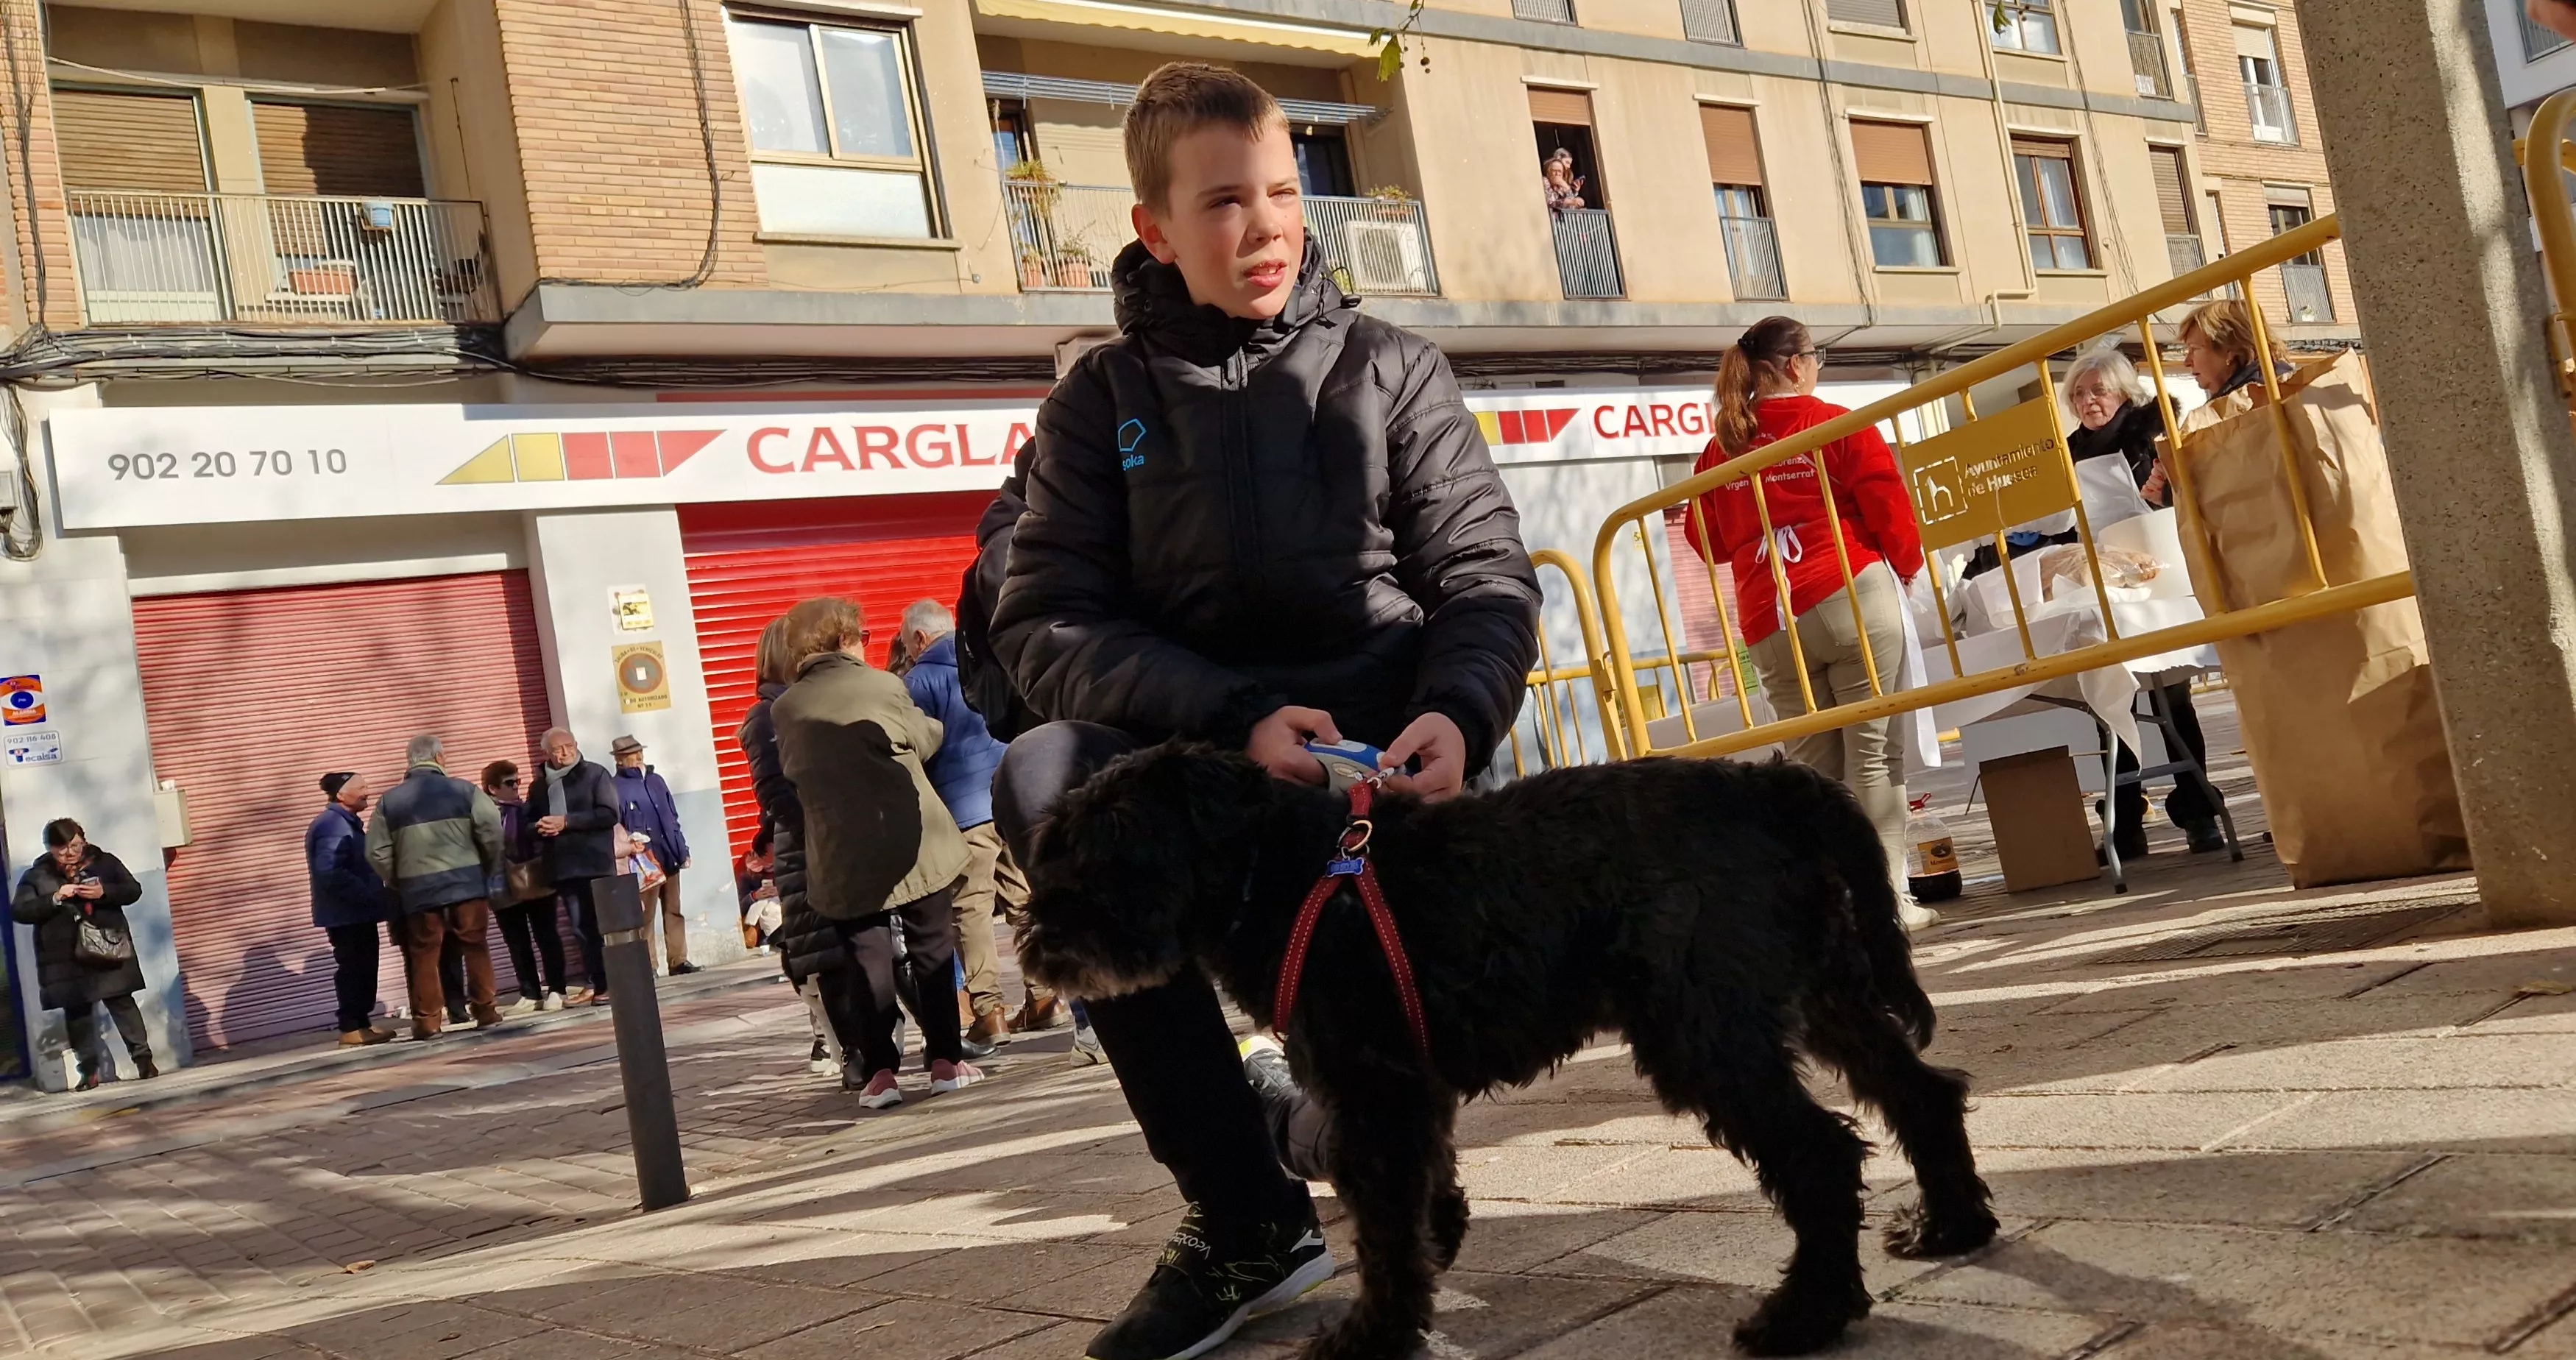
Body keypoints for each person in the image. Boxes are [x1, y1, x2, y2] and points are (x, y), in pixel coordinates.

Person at [981, 63, 1540, 1360]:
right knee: (1044, 775)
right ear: (1157, 231)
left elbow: (1483, 576)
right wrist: (1233, 718)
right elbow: (1043, 624)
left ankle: (1371, 1137)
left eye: (1286, 191)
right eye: (1225, 201)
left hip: (1387, 751)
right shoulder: (1095, 405)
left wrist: (1462, 707)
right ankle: (1247, 1217)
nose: (1270, 225)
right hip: (1210, 754)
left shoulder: (1396, 370)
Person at [1682, 315, 1936, 932]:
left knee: (1814, 772)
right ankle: (1890, 902)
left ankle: (1834, 912)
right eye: (1815, 356)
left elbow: (1706, 540)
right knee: (1875, 757)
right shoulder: (1835, 423)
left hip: (1770, 614)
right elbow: (1889, 509)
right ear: (1795, 365)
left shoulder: (1722, 446)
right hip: (1850, 590)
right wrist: (1910, 569)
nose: (1818, 366)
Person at [771, 596, 983, 1110]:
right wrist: (929, 729)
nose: (867, 645)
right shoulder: (885, 685)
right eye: (863, 637)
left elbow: (793, 774)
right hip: (910, 835)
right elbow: (922, 738)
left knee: (866, 959)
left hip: (840, 848)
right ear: (844, 640)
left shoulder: (786, 708)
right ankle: (946, 1064)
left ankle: (881, 1076)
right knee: (932, 947)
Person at [2060, 348, 2227, 860]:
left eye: (2098, 391)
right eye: (2079, 394)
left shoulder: (2155, 433)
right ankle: (2126, 820)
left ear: (2125, 393)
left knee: (2174, 701)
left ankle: (2200, 814)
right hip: (2100, 581)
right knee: (2108, 700)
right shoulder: (2065, 452)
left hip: (2160, 574)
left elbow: (2186, 494)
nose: (2088, 402)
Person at [897, 598, 1041, 1050]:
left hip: (964, 812)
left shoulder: (919, 682)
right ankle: (1046, 996)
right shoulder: (981, 660)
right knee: (1023, 900)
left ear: (920, 639)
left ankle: (989, 1011)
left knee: (971, 910)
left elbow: (917, 750)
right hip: (1010, 800)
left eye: (908, 644)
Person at [740, 615, 859, 1077]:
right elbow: (776, 793)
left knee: (859, 947)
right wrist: (820, 830)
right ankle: (849, 1052)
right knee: (827, 955)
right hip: (808, 848)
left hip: (828, 841)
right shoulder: (768, 713)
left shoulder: (801, 700)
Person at [366, 734, 506, 1039]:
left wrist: (402, 877)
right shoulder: (465, 790)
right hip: (467, 886)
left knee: (424, 955)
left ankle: (429, 1022)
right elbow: (492, 831)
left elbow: (376, 851)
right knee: (476, 947)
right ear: (440, 758)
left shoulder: (390, 801)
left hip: (419, 891)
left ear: (410, 761)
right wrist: (486, 867)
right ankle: (486, 1011)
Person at [13, 819, 155, 1090]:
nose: (69, 853)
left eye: (75, 845)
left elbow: (133, 890)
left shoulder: (105, 862)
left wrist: (104, 892)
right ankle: (88, 1072)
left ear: (84, 840)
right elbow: (19, 911)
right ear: (49, 848)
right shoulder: (37, 875)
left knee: (122, 1003)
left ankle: (144, 1061)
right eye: (61, 848)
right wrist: (54, 898)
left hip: (107, 945)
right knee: (77, 1014)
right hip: (64, 956)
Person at [528, 728, 618, 1005]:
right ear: (547, 753)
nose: (565, 753)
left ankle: (614, 982)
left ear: (577, 745)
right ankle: (594, 982)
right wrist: (540, 827)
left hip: (595, 863)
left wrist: (567, 822)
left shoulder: (595, 774)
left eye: (569, 746)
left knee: (607, 925)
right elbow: (528, 823)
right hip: (564, 867)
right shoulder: (540, 786)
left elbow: (609, 813)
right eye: (558, 749)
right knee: (581, 928)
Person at [307, 773, 395, 1046]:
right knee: (353, 968)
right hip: (346, 914)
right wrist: (368, 894)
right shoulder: (331, 825)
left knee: (365, 967)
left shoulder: (347, 823)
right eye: (361, 787)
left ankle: (362, 1023)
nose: (367, 791)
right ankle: (350, 1026)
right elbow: (330, 872)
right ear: (341, 795)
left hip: (359, 912)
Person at [609, 734, 696, 976]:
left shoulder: (657, 780)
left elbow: (672, 817)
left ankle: (679, 960)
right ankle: (650, 965)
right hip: (644, 862)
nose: (637, 759)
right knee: (645, 917)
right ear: (619, 760)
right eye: (630, 756)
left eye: (639, 753)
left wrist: (682, 850)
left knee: (674, 910)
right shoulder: (615, 788)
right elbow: (617, 827)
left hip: (668, 855)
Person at [484, 760, 568, 1010]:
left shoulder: (529, 808)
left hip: (535, 880)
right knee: (517, 942)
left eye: (519, 781)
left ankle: (557, 988)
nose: (517, 787)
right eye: (510, 783)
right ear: (493, 788)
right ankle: (530, 992)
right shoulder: (485, 815)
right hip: (501, 886)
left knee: (547, 935)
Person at [1541, 147, 1585, 213]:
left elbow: (1571, 202)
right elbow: (1550, 203)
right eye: (1567, 163)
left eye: (1560, 172)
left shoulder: (1566, 178)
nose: (1569, 167)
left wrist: (1571, 190)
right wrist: (1568, 202)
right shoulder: (1545, 181)